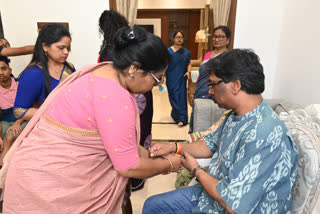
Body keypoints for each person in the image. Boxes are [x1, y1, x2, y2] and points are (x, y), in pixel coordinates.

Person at [1, 25, 181, 213]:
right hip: (47, 186)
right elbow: (128, 167)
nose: (157, 85)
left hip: (33, 171)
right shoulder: (116, 97)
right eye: (157, 78)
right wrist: (168, 164)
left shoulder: (101, 70)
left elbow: (112, 138)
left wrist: (148, 154)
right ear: (134, 69)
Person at [143, 49, 299, 214]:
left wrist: (195, 169)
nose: (209, 91)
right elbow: (209, 144)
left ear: (235, 86)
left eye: (212, 84)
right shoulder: (236, 114)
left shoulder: (264, 134)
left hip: (231, 205)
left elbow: (233, 205)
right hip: (213, 197)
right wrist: (174, 147)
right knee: (153, 205)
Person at [13, 23, 75, 121]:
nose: (66, 52)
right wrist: (55, 114)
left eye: (68, 48)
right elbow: (19, 111)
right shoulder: (33, 74)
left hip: (71, 120)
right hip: (48, 126)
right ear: (45, 47)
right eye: (61, 48)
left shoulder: (69, 68)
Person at [189, 26, 231, 133]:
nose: (217, 39)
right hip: (200, 91)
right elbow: (200, 74)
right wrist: (193, 91)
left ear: (228, 40)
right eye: (215, 37)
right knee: (197, 122)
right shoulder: (208, 54)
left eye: (221, 37)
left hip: (216, 94)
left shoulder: (229, 57)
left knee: (212, 126)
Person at [0, 56, 27, 166]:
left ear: (10, 70)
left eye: (3, 68)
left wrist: (18, 122)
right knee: (4, 138)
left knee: (10, 136)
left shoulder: (20, 84)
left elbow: (30, 107)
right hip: (5, 121)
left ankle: (2, 167)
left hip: (23, 119)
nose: (1, 72)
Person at [166, 31, 191, 127]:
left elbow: (189, 63)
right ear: (173, 39)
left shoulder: (186, 52)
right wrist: (162, 76)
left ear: (183, 39)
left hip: (181, 77)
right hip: (171, 76)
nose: (179, 39)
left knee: (181, 97)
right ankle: (175, 114)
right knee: (172, 96)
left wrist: (188, 71)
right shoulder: (168, 51)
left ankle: (182, 118)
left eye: (181, 37)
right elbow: (166, 64)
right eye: (177, 37)